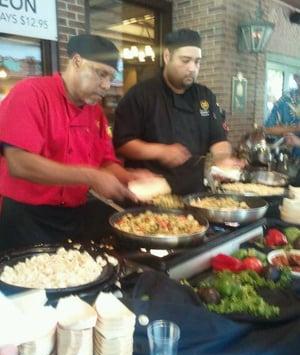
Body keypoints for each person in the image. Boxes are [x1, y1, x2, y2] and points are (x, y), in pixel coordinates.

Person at [0, 34, 153, 252]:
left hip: (73, 216)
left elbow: (105, 162)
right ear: (77, 61)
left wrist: (129, 177)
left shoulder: (96, 114)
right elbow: (19, 163)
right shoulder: (31, 93)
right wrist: (90, 176)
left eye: (111, 77)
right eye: (101, 74)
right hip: (26, 219)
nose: (106, 85)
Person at [113, 28, 243, 195]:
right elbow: (122, 144)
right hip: (151, 191)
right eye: (185, 60)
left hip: (195, 192)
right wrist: (160, 151)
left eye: (197, 62)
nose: (192, 68)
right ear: (167, 57)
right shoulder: (141, 94)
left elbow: (218, 138)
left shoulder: (205, 96)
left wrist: (223, 160)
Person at [264, 73, 300, 156]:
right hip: (289, 159)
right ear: (296, 79)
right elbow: (268, 128)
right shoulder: (286, 100)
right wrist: (294, 128)